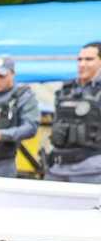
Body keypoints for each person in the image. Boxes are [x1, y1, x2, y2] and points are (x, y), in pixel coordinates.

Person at [45, 41, 101, 184]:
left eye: (89, 59)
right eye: (79, 59)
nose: (82, 64)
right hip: (57, 169)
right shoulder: (66, 89)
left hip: (92, 171)